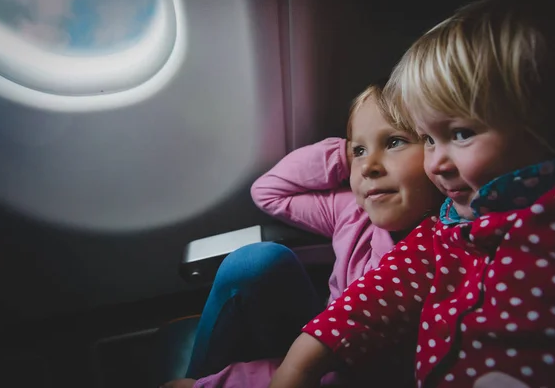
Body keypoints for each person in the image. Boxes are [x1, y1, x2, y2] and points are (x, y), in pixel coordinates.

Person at [270, 0, 555, 388]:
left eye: (460, 133)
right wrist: (300, 365)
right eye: (428, 138)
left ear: (551, 125)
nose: (435, 162)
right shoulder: (447, 229)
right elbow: (373, 299)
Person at [159, 79, 444, 388]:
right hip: (320, 339)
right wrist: (344, 156)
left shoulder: (444, 249)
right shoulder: (353, 211)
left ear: (436, 150)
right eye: (360, 149)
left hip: (361, 370)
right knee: (254, 261)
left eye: (394, 142)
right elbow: (269, 192)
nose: (369, 167)